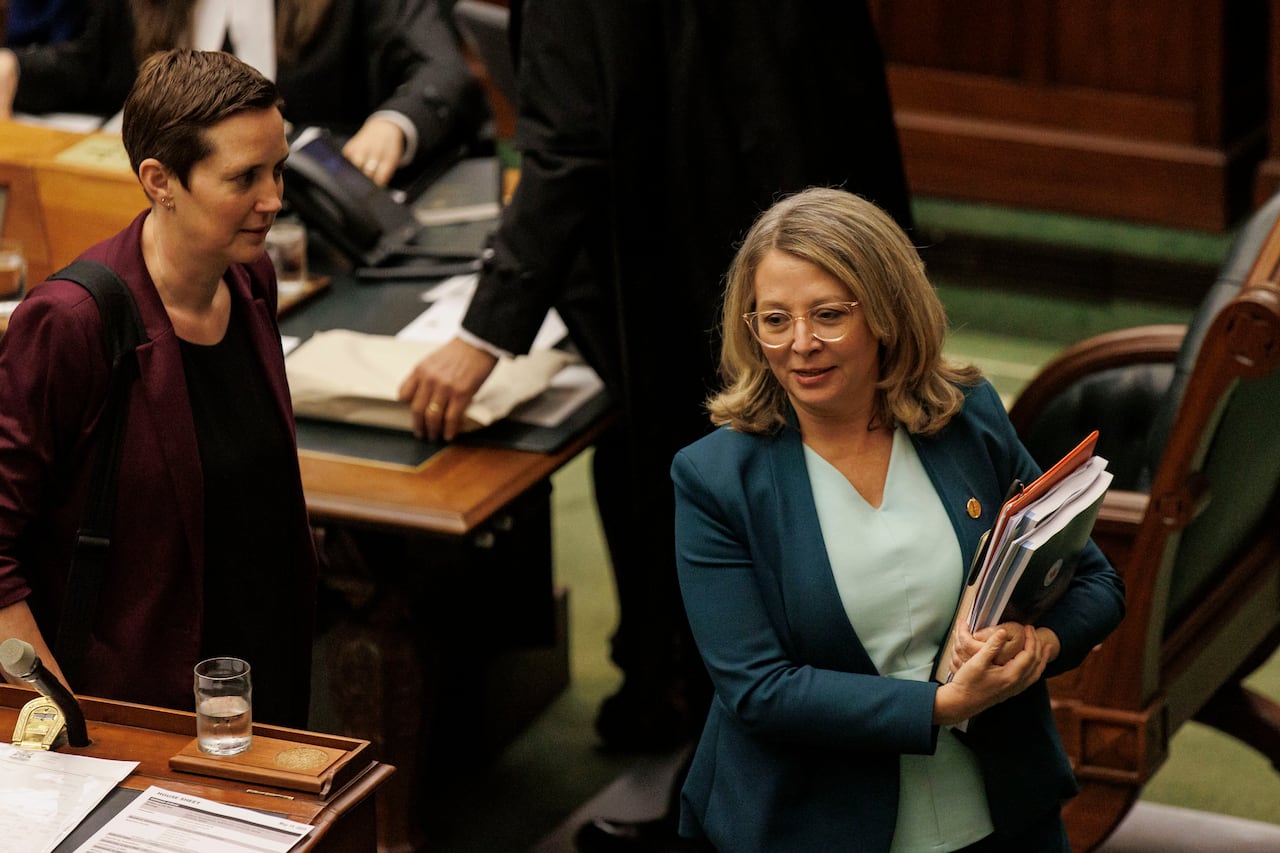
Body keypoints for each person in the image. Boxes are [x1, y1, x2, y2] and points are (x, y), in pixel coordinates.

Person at [396, 0, 915, 765]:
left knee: (725, 527)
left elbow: (570, 145)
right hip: (832, 245)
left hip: (699, 281)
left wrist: (483, 333)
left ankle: (713, 792)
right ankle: (664, 698)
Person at [670, 187, 1126, 852]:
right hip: (814, 822)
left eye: (828, 314)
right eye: (773, 319)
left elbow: (1096, 583)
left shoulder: (966, 419)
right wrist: (943, 707)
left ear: (885, 312)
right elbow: (759, 689)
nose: (800, 344)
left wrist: (1037, 648)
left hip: (1002, 810)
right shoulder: (715, 478)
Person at [0, 49, 318, 728]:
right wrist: (60, 715)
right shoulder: (72, 323)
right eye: (244, 178)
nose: (274, 199)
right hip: (135, 716)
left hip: (264, 686)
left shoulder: (249, 279)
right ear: (160, 180)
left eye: (277, 169)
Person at [0, 0, 486, 187]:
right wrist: (16, 67)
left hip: (302, 208)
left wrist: (392, 124)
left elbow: (442, 70)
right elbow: (94, 68)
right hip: (172, 208)